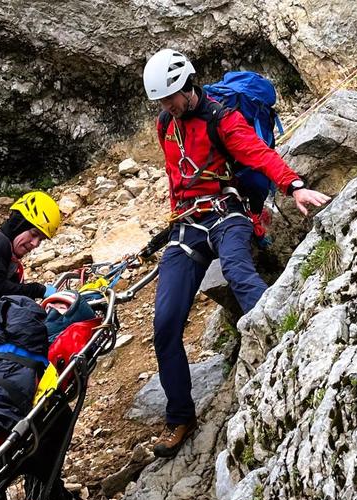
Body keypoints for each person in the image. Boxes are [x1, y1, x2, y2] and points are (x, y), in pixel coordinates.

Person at [142, 48, 331, 457]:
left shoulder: (222, 118)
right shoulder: (165, 125)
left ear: (189, 84)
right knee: (165, 321)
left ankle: (286, 350)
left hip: (229, 212)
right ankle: (180, 416)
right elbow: (177, 175)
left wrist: (293, 186)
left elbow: (257, 154)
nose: (168, 106)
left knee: (240, 273)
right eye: (161, 101)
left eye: (171, 97)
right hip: (188, 224)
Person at [0, 190, 62, 309]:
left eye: (41, 240)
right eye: (34, 234)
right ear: (19, 225)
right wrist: (37, 290)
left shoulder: (8, 253)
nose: (35, 244)